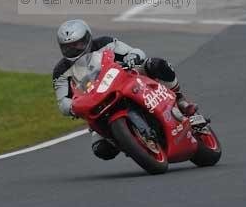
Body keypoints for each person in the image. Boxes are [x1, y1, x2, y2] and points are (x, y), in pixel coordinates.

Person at [53, 19, 198, 161]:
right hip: (96, 102)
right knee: (102, 149)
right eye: (68, 47)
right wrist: (71, 107)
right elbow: (62, 101)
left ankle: (180, 98)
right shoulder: (61, 71)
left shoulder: (105, 43)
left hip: (125, 79)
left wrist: (132, 57)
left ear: (88, 38)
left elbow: (134, 51)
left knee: (156, 64)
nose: (74, 49)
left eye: (78, 44)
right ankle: (130, 143)